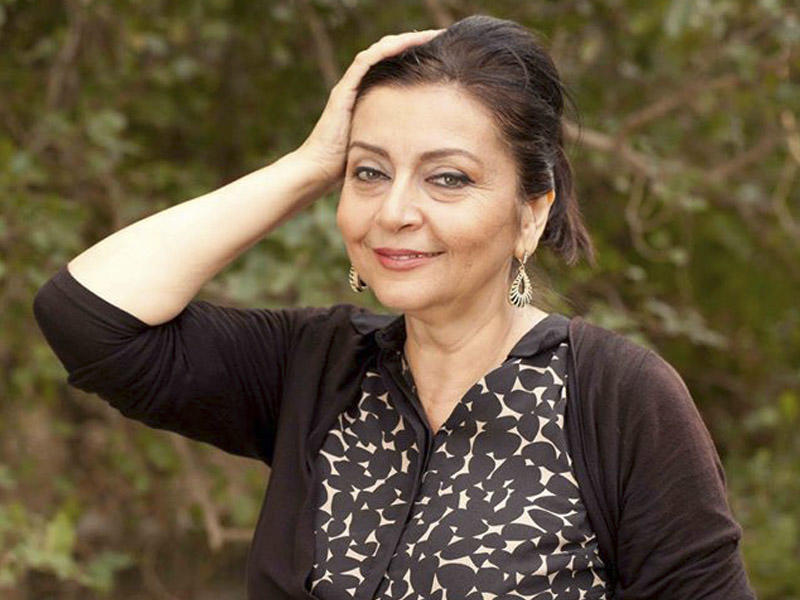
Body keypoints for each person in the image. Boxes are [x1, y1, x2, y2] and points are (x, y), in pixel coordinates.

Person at [32, 14, 756, 600]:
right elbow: (88, 316)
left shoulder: (616, 399)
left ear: (531, 214)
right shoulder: (317, 367)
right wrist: (311, 164)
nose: (394, 211)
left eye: (448, 178)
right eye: (371, 172)